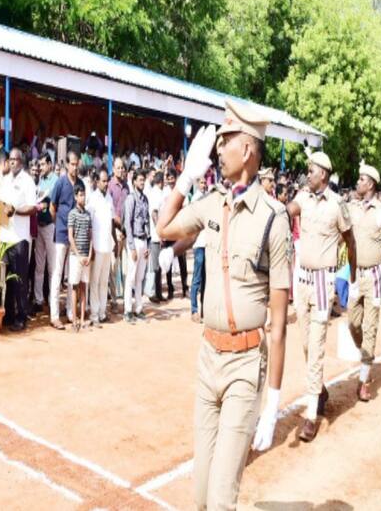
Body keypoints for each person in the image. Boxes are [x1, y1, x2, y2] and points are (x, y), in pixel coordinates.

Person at [156, 100, 290, 511]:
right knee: (199, 494)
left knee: (219, 498)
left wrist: (273, 401)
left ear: (247, 150)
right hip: (208, 358)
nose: (217, 148)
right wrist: (185, 179)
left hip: (245, 366)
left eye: (225, 140)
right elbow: (164, 228)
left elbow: (280, 323)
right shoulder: (213, 204)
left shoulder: (274, 217)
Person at [286, 151, 357, 441]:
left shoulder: (337, 205)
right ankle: (321, 390)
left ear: (324, 175)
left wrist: (351, 276)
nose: (307, 174)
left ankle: (311, 415)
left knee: (315, 346)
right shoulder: (303, 197)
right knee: (305, 344)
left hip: (322, 283)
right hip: (302, 281)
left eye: (311, 170)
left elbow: (350, 239)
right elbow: (288, 210)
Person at [347, 163, 381, 402]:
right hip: (355, 274)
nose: (358, 182)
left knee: (370, 327)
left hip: (374, 276)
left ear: (371, 184)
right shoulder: (352, 207)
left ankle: (363, 379)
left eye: (362, 179)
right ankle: (365, 354)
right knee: (353, 323)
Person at [0, 148, 40, 331]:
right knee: (8, 279)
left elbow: (32, 208)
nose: (12, 162)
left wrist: (16, 210)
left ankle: (21, 317)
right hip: (6, 236)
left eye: (15, 159)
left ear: (21, 162)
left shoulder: (27, 181)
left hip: (21, 237)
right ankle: (9, 314)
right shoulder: (5, 181)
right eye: (10, 159)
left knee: (21, 279)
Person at [49, 151, 84, 328]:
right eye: (72, 163)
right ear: (66, 165)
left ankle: (71, 312)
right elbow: (52, 207)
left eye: (77, 164)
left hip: (76, 237)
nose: (75, 167)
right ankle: (54, 315)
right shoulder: (60, 182)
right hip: (62, 234)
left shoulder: (81, 184)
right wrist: (60, 223)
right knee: (57, 274)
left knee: (73, 276)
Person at [87, 168, 116, 326]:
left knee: (104, 281)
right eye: (103, 181)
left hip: (107, 245)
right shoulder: (93, 199)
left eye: (107, 181)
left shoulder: (109, 198)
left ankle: (103, 312)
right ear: (97, 181)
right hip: (97, 246)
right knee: (95, 281)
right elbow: (89, 225)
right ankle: (94, 315)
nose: (106, 184)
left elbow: (111, 221)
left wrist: (115, 242)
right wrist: (90, 248)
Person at [123, 169, 150, 323]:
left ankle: (138, 308)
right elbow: (127, 223)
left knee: (140, 277)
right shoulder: (131, 199)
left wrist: (147, 244)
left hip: (143, 239)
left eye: (143, 180)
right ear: (134, 182)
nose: (142, 182)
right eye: (140, 180)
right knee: (131, 277)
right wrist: (131, 246)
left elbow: (147, 222)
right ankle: (127, 310)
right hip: (134, 239)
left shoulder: (145, 199)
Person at [32, 154, 58, 313]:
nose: (40, 167)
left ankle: (52, 301)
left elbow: (53, 202)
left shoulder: (55, 180)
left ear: (49, 164)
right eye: (39, 165)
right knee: (39, 266)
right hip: (39, 226)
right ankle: (38, 299)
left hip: (50, 226)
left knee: (52, 267)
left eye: (43, 164)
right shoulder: (41, 180)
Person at [68, 185, 93, 331]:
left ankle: (83, 319)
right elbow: (70, 236)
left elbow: (90, 236)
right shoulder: (72, 214)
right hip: (75, 256)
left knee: (84, 288)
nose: (83, 197)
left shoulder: (88, 215)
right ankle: (74, 321)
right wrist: (78, 255)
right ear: (76, 197)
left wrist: (89, 255)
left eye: (84, 194)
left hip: (86, 256)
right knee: (74, 287)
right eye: (81, 195)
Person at [108, 157, 130, 309]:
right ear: (113, 169)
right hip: (114, 230)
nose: (121, 170)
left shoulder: (127, 187)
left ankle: (126, 300)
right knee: (114, 266)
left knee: (126, 268)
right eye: (118, 167)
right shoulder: (110, 186)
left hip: (126, 231)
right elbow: (110, 212)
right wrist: (120, 226)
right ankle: (114, 300)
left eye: (123, 167)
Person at [164, 168, 188, 299]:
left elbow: (186, 209)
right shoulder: (164, 193)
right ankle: (170, 289)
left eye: (172, 178)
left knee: (182, 260)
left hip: (179, 230)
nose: (170, 181)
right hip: (169, 230)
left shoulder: (181, 192)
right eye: (168, 178)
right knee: (168, 260)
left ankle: (185, 287)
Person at [189, 177, 208, 322]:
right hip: (198, 243)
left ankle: (204, 310)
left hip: (207, 243)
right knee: (197, 279)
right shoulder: (195, 199)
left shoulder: (207, 198)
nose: (204, 184)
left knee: (206, 279)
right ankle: (194, 310)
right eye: (201, 182)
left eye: (205, 182)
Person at [148, 172, 166, 303]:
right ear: (161, 181)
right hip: (155, 236)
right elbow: (154, 213)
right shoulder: (155, 193)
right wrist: (159, 232)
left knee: (159, 266)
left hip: (159, 234)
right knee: (155, 266)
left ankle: (158, 292)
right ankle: (153, 292)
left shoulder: (158, 192)